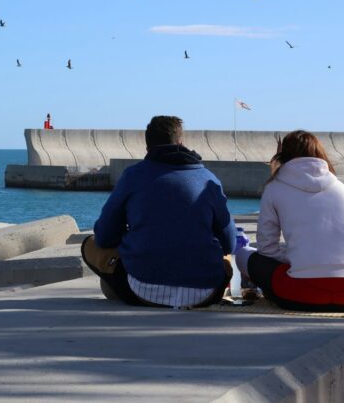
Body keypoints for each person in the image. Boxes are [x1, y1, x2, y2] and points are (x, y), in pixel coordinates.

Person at [82, 115, 236, 308]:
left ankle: (117, 286)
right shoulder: (209, 179)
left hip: (141, 291)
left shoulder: (133, 176)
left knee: (90, 244)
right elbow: (230, 242)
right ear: (181, 142)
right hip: (206, 294)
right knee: (224, 255)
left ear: (147, 147)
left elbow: (104, 236)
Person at [236, 130, 344, 312]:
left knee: (245, 255)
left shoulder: (274, 188)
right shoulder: (341, 188)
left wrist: (297, 258)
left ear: (282, 155)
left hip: (300, 294)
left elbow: (266, 249)